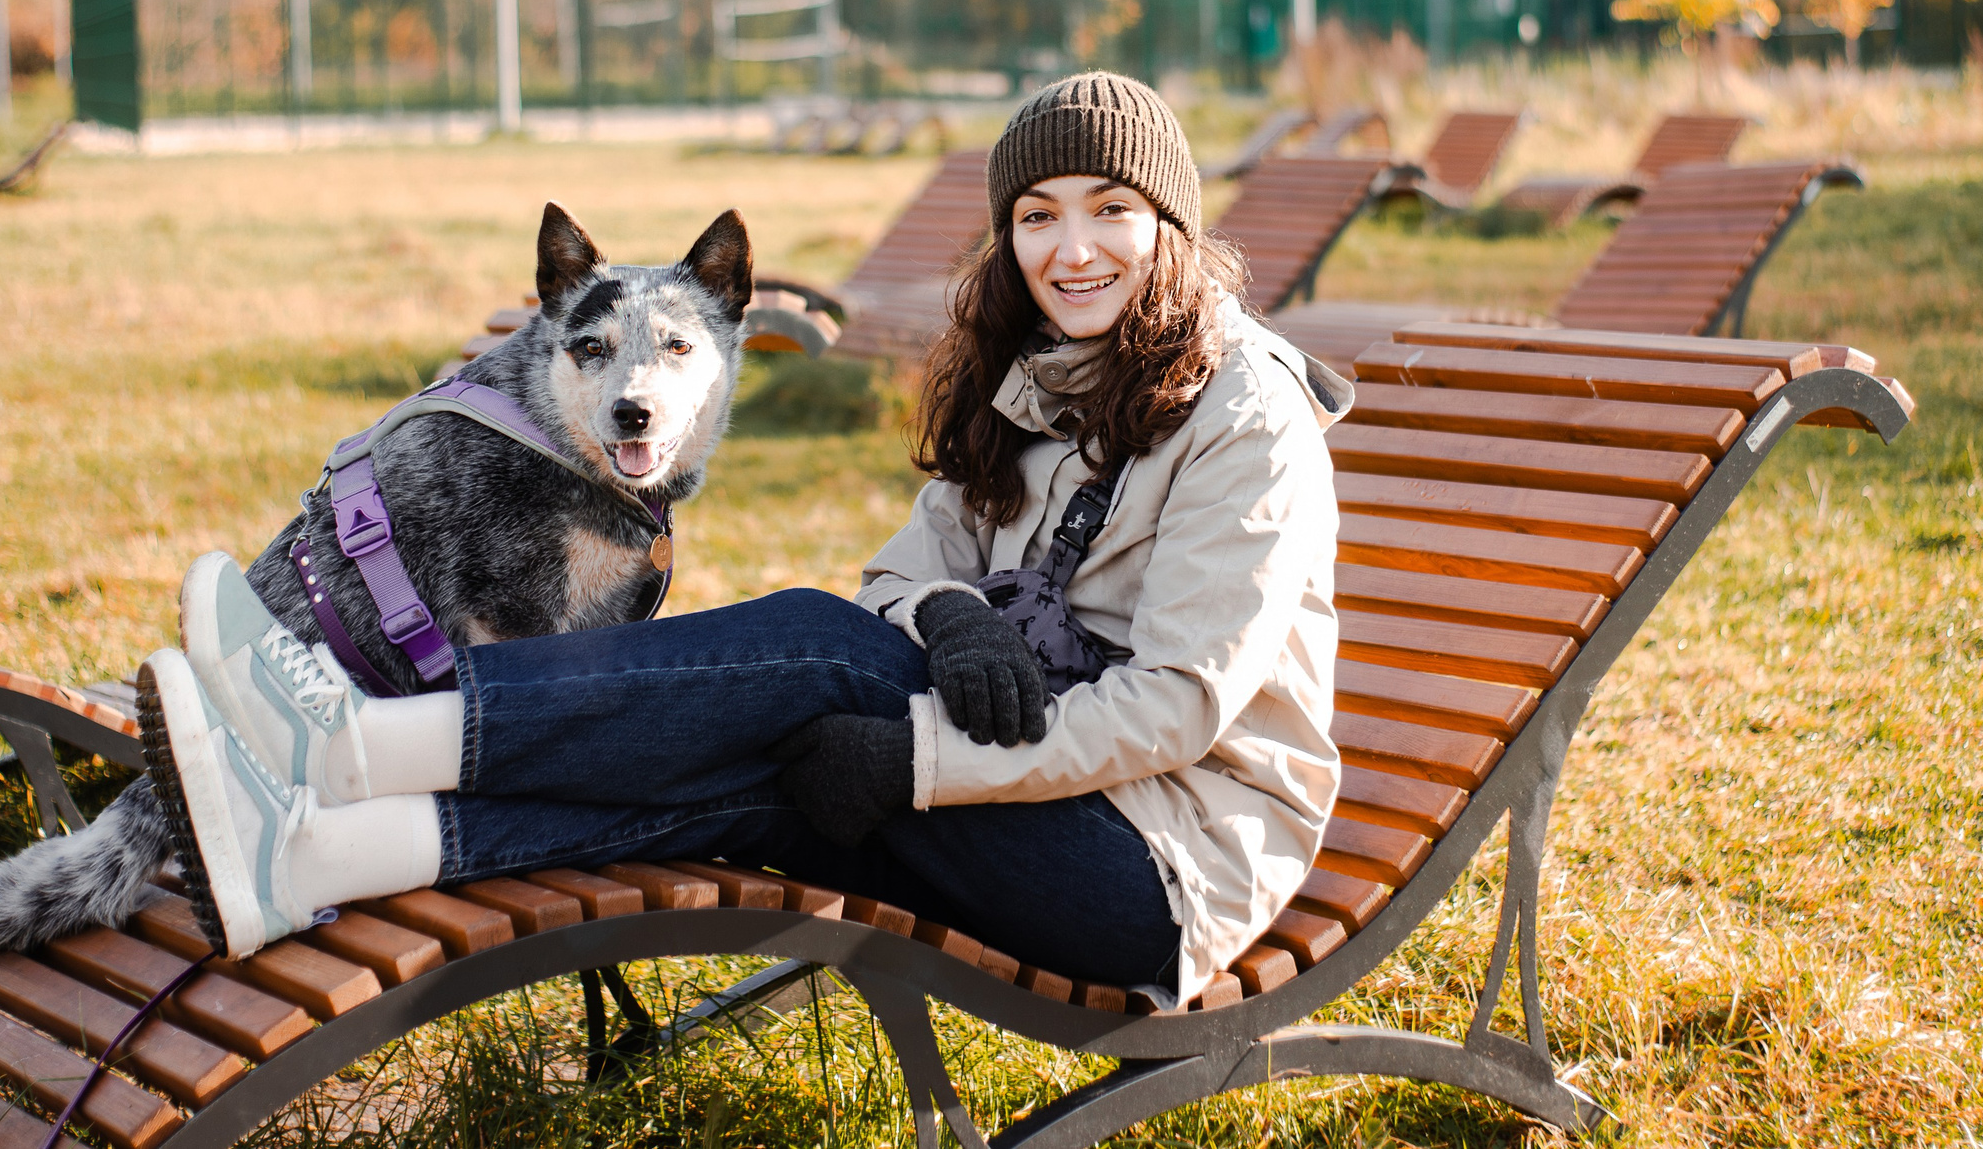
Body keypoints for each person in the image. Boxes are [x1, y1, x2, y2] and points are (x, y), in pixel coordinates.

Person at [139, 72, 1351, 1005]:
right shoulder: (1036, 380)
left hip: (1157, 863)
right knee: (747, 776)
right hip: (1032, 788)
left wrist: (919, 759)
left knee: (821, 652)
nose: (1069, 248)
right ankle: (308, 861)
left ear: (1171, 226)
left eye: (1111, 210)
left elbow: (1178, 709)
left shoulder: (1247, 415)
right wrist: (949, 615)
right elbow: (903, 572)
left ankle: (345, 743)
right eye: (1037, 215)